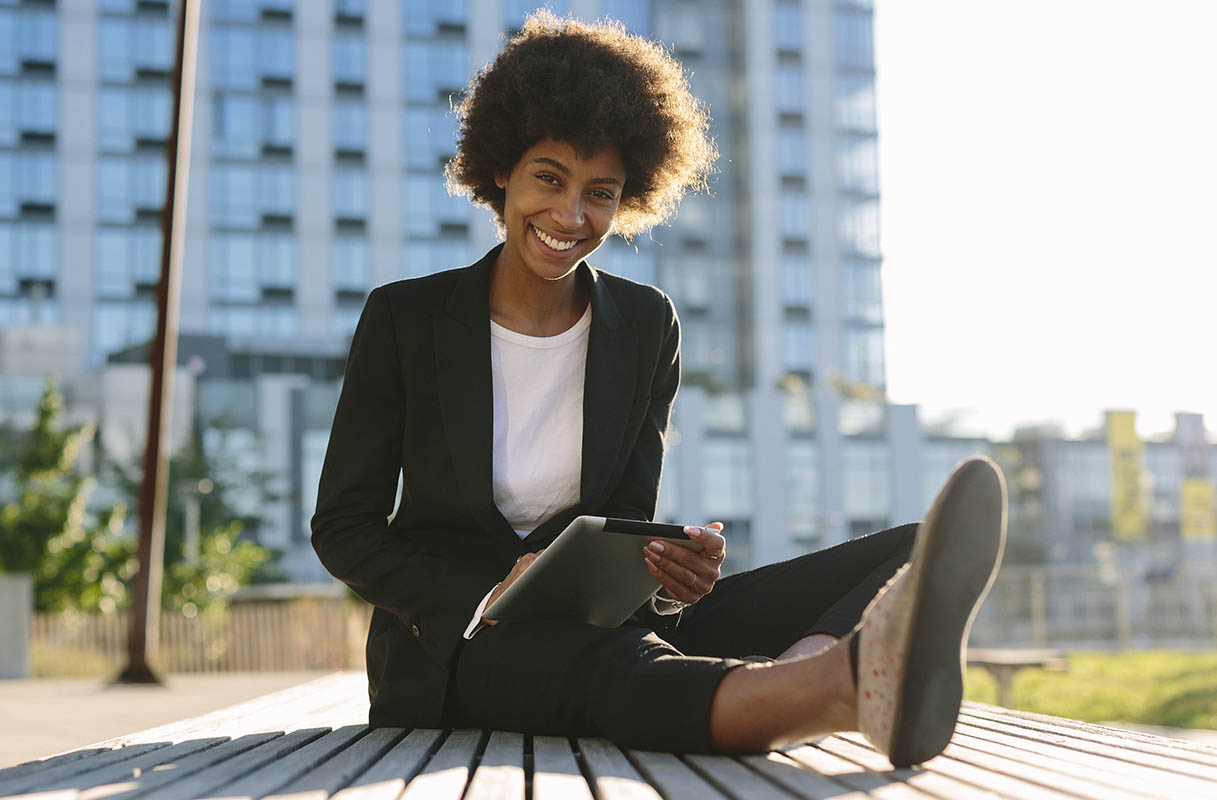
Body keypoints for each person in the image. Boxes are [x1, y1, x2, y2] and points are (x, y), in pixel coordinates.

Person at [311, 11, 1006, 766]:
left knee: (910, 550)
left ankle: (805, 672)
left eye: (599, 192)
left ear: (628, 197)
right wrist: (485, 592)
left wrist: (673, 575)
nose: (570, 215)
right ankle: (828, 694)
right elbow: (343, 526)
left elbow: (622, 525)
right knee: (612, 672)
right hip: (457, 642)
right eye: (549, 178)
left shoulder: (644, 323)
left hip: (603, 622)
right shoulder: (406, 317)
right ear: (502, 169)